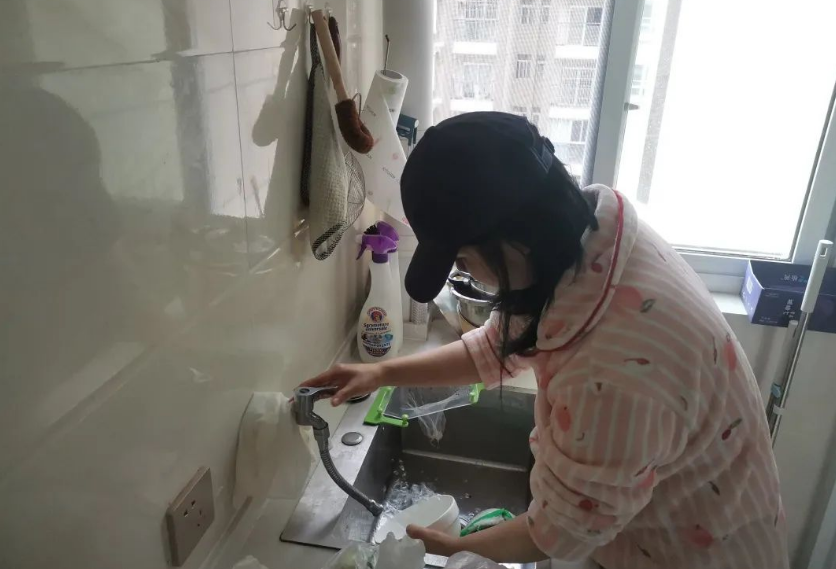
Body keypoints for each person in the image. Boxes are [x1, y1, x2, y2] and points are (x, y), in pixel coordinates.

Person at [302, 112, 788, 568]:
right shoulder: (587, 251)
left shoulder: (616, 366)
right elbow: (499, 348)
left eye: (464, 261)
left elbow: (565, 528)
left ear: (516, 241)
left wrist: (458, 548)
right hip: (651, 531)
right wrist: (380, 372)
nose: (466, 275)